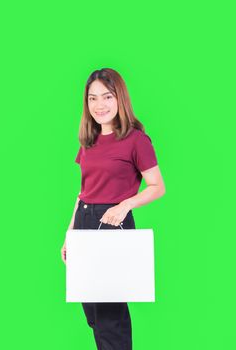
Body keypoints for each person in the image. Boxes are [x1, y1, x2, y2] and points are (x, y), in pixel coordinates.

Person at [61, 68, 166, 350]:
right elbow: (83, 189)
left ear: (119, 98)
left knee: (110, 316)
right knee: (92, 312)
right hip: (84, 219)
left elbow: (157, 186)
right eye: (92, 98)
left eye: (107, 97)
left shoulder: (136, 140)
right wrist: (70, 232)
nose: (99, 105)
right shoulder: (89, 140)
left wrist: (126, 205)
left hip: (112, 223)